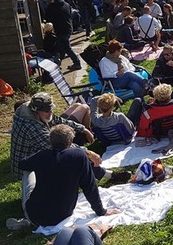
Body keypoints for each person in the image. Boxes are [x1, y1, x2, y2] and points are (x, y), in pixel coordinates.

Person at [8, 93, 124, 230]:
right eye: (47, 111)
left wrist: (82, 128)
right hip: (30, 167)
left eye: (51, 110)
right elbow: (89, 185)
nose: (50, 113)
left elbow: (58, 120)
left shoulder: (43, 151)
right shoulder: (33, 129)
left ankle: (29, 220)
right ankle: (28, 217)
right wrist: (87, 152)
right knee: (70, 166)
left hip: (38, 205)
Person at [18, 125, 119, 227]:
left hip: (35, 216)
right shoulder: (79, 155)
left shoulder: (42, 156)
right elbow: (89, 186)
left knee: (28, 171)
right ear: (70, 142)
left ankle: (26, 215)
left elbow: (22, 164)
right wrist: (100, 211)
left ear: (51, 141)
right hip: (63, 215)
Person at [43, 0, 82, 70]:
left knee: (66, 47)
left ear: (48, 1)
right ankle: (58, 63)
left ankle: (77, 63)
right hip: (68, 27)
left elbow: (48, 19)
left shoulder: (51, 7)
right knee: (61, 47)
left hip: (60, 29)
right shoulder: (66, 4)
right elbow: (70, 14)